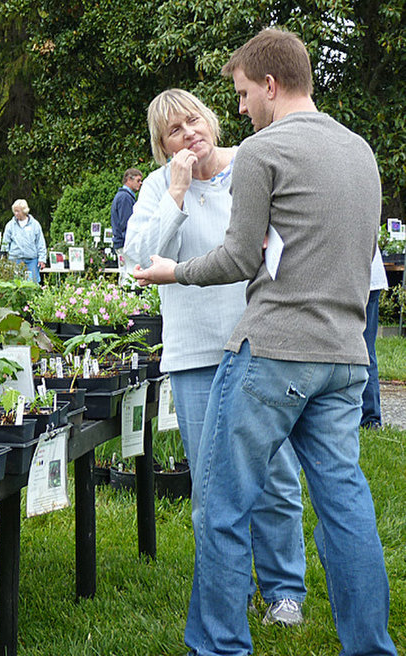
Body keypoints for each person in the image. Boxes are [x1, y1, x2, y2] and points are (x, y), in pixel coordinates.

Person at [132, 29, 397, 656]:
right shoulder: (360, 150)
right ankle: (371, 646)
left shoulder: (261, 150)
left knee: (221, 506)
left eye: (245, 94)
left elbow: (236, 258)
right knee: (345, 505)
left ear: (271, 85)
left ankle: (221, 645)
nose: (242, 107)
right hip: (345, 355)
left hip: (273, 353)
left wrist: (176, 273)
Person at [122, 88, 307, 626]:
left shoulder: (251, 164)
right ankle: (229, 590)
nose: (190, 134)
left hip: (260, 341)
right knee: (211, 481)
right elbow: (141, 257)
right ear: (162, 146)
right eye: (175, 131)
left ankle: (283, 592)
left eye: (194, 121)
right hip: (195, 350)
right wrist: (177, 193)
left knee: (274, 471)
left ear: (212, 121)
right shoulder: (158, 187)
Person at [362, 245, 388, 428]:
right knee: (367, 350)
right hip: (371, 276)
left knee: (365, 350)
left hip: (361, 279)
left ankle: (370, 418)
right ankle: (371, 418)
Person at [1, 198, 47, 284]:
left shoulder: (35, 225)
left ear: (24, 211)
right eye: (14, 211)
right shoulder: (10, 225)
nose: (16, 213)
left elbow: (40, 243)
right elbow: (5, 242)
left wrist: (42, 259)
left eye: (18, 211)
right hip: (15, 259)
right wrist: (3, 256)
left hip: (31, 260)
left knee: (33, 283)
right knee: (15, 284)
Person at [109, 167, 143, 250]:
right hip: (124, 245)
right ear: (129, 180)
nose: (141, 183)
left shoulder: (125, 196)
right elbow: (127, 224)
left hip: (123, 243)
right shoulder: (125, 197)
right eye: (138, 180)